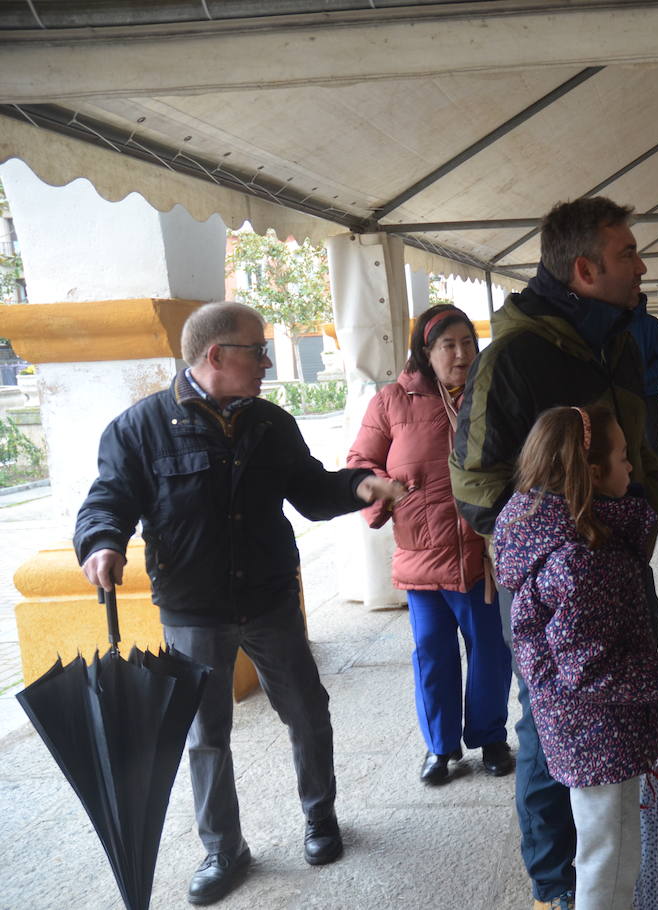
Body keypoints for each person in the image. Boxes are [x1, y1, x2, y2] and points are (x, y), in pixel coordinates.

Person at [73, 301, 407, 905]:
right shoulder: (139, 428)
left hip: (270, 598)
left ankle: (320, 817)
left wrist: (358, 484)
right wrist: (101, 544)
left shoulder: (270, 423)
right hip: (193, 607)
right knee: (205, 733)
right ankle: (223, 848)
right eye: (258, 350)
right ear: (216, 356)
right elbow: (108, 500)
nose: (268, 361)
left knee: (307, 710)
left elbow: (309, 488)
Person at [450, 195, 658, 910]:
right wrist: (558, 548)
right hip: (558, 571)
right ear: (585, 270)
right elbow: (476, 482)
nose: (641, 264)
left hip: (619, 559)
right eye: (629, 253)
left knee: (618, 693)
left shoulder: (621, 335)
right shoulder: (515, 355)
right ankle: (557, 884)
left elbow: (640, 440)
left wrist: (643, 516)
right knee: (551, 723)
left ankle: (619, 857)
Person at [493, 406, 658, 910]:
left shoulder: (548, 527)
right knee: (609, 860)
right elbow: (593, 670)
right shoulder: (581, 557)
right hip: (598, 734)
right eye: (622, 457)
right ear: (592, 473)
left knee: (606, 849)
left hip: (581, 727)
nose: (631, 467)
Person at [346, 304, 513, 786]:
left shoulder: (488, 395)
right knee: (431, 653)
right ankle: (440, 748)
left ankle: (491, 736)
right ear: (425, 350)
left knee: (490, 649)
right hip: (421, 556)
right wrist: (380, 488)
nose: (461, 354)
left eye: (468, 343)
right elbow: (360, 462)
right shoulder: (392, 401)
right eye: (448, 345)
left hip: (480, 556)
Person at [629, 294, 658, 481]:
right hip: (618, 392)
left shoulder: (651, 324)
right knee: (622, 442)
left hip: (647, 393)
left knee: (653, 441)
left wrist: (646, 375)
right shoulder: (609, 322)